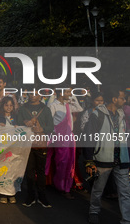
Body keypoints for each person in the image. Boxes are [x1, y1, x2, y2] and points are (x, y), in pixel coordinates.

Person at [84, 87, 130, 224]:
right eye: (122, 97)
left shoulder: (121, 114)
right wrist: (89, 160)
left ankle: (127, 219)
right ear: (114, 99)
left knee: (125, 192)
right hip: (103, 157)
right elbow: (89, 138)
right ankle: (93, 212)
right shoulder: (98, 114)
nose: (125, 100)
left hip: (121, 158)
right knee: (98, 190)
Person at [18, 90, 54, 208]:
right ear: (27, 95)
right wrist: (25, 122)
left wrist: (42, 129)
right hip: (27, 144)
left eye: (36, 93)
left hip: (40, 143)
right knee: (29, 171)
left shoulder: (46, 109)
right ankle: (31, 196)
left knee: (41, 171)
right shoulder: (23, 109)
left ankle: (42, 196)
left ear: (41, 95)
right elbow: (17, 125)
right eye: (31, 93)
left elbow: (51, 127)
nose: (33, 96)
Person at [46, 87, 83, 199]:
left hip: (70, 136)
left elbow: (79, 108)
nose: (69, 94)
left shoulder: (69, 105)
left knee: (70, 162)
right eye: (67, 92)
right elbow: (50, 121)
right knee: (62, 162)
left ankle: (66, 186)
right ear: (61, 93)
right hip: (60, 137)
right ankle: (61, 186)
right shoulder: (53, 105)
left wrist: (72, 97)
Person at [0, 96, 18, 204]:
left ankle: (11, 193)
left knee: (12, 171)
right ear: (2, 105)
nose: (8, 107)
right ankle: (2, 193)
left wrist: (17, 127)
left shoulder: (15, 117)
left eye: (10, 105)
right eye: (6, 105)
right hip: (2, 147)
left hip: (13, 147)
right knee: (2, 170)